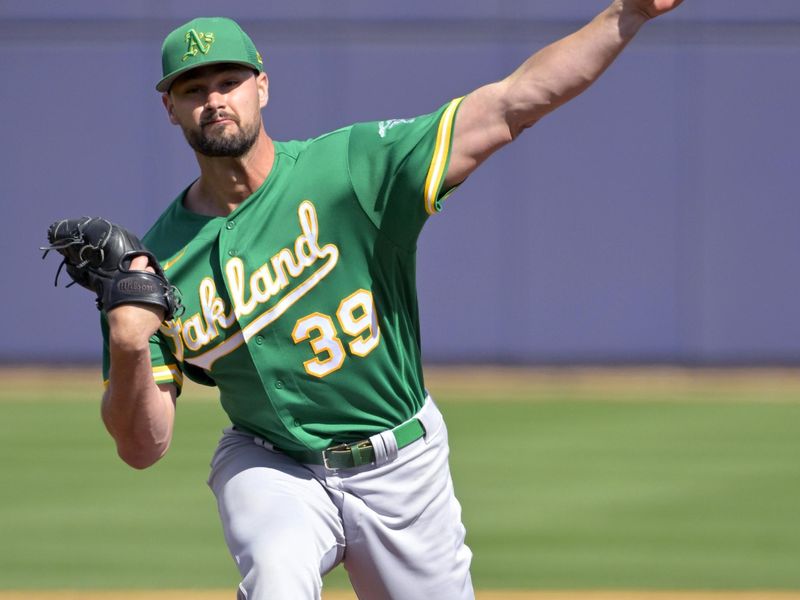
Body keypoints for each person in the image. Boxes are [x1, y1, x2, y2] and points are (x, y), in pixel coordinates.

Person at [100, 1, 684, 598]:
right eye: (193, 88)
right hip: (272, 465)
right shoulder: (151, 268)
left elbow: (514, 102)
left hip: (401, 462)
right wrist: (128, 346)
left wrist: (627, 13)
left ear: (263, 87)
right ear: (169, 108)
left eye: (230, 81)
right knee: (277, 579)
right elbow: (144, 447)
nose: (215, 99)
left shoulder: (349, 168)